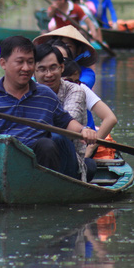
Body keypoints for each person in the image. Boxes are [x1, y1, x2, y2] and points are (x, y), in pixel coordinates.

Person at [0, 36, 98, 180]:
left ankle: (45, 190)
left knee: (47, 144)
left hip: (35, 167)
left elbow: (66, 122)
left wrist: (83, 131)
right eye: (20, 62)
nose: (26, 68)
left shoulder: (46, 95)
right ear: (3, 63)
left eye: (30, 62)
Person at [34, 42, 96, 181]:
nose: (48, 74)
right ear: (34, 71)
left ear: (62, 68)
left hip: (68, 157)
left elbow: (66, 124)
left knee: (55, 139)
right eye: (42, 69)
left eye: (53, 68)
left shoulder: (75, 89)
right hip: (35, 155)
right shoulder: (28, 90)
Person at [62, 59, 118, 159]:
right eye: (69, 81)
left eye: (76, 82)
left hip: (80, 145)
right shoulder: (42, 88)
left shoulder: (81, 88)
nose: (73, 86)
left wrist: (90, 149)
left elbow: (111, 118)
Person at [34, 25, 98, 89]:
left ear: (78, 50)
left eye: (67, 45)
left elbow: (82, 87)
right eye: (58, 45)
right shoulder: (40, 72)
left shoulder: (86, 73)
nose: (61, 49)